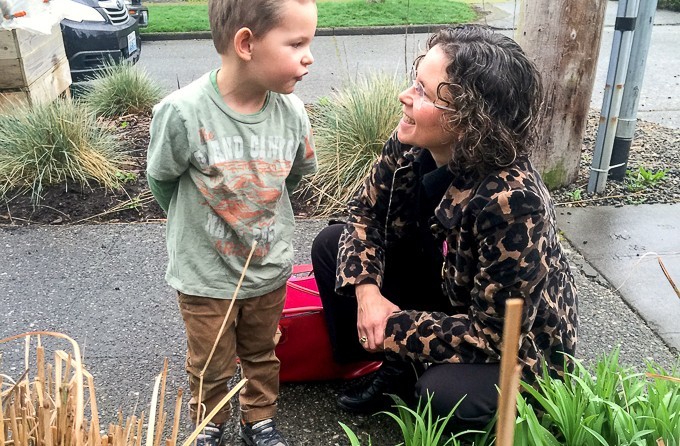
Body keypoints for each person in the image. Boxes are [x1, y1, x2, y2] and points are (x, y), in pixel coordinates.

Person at [311, 24, 578, 429]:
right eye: (415, 79)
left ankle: (433, 378)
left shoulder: (512, 203)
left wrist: (392, 327)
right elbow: (363, 214)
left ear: (469, 119)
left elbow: (494, 337)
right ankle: (396, 367)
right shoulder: (409, 142)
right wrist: (367, 294)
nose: (405, 96)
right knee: (332, 244)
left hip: (518, 350)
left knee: (444, 396)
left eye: (422, 90)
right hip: (446, 291)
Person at [146, 0, 317, 444]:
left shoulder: (292, 113)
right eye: (297, 43)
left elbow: (292, 177)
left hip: (267, 268)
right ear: (246, 43)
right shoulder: (182, 113)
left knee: (263, 351)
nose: (309, 56)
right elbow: (162, 180)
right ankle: (211, 422)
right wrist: (196, 230)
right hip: (205, 275)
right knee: (210, 361)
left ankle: (258, 418)